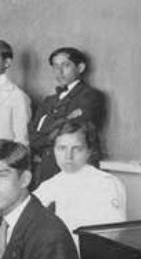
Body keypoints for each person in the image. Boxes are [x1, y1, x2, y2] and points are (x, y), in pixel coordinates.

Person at [34, 122, 126, 251]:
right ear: (54, 150)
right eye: (61, 148)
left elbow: (113, 232)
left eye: (77, 149)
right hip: (61, 254)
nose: (68, 156)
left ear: (89, 151)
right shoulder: (51, 183)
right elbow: (26, 214)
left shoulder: (106, 183)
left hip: (92, 256)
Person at [29, 47, 105, 184]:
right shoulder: (49, 101)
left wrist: (45, 132)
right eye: (55, 67)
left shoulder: (90, 96)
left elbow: (72, 133)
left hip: (77, 169)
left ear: (80, 68)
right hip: (47, 169)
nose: (59, 71)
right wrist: (59, 125)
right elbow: (33, 138)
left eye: (66, 65)